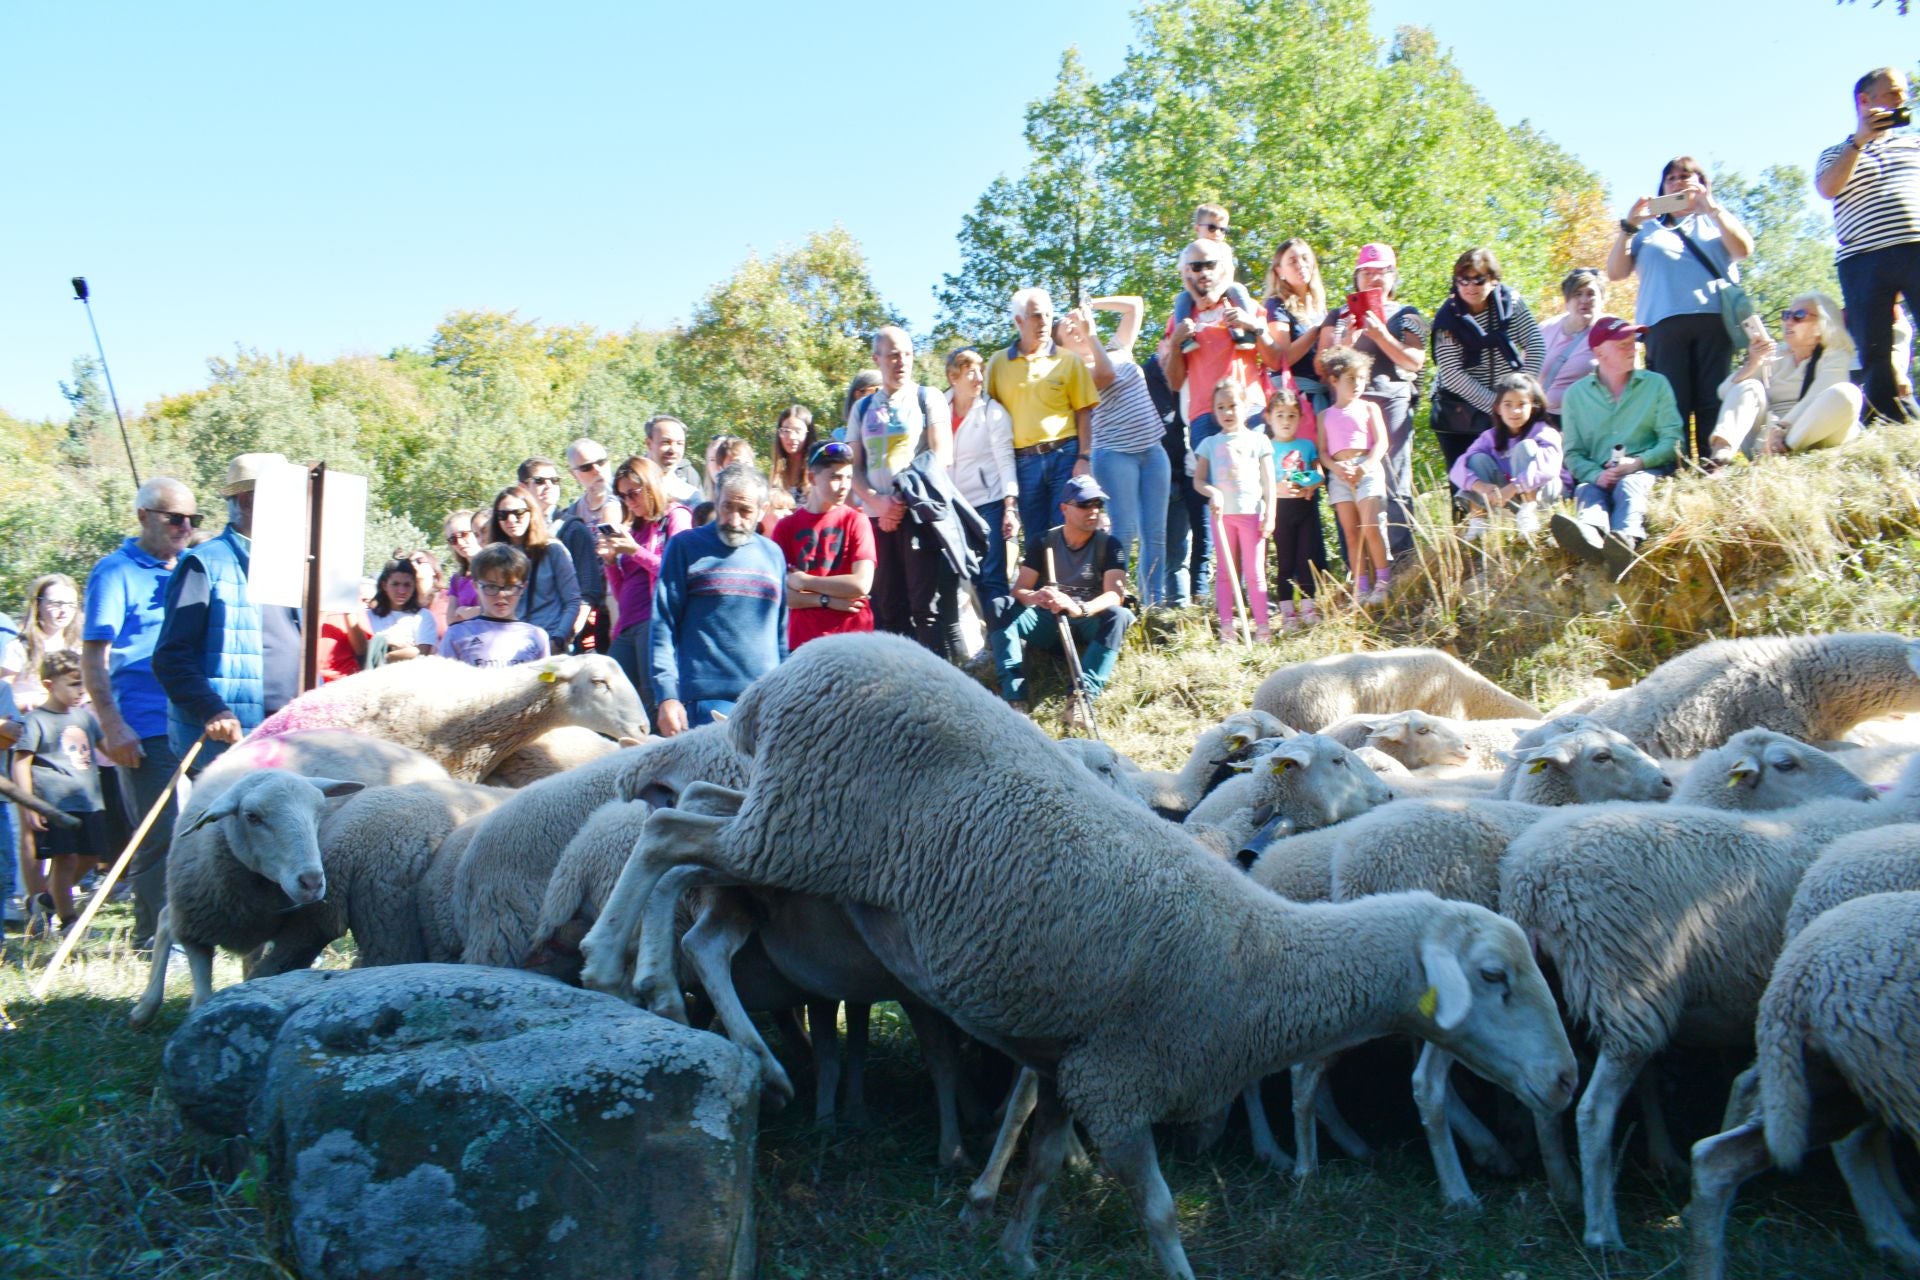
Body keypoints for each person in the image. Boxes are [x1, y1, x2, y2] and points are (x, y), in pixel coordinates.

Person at [79, 475, 197, 946]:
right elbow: (94, 655)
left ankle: (197, 929)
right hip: (144, 722)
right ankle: (152, 940)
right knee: (161, 832)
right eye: (174, 518)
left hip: (197, 715)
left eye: (193, 519)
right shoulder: (114, 571)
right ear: (144, 516)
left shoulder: (191, 567)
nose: (184, 527)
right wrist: (111, 723)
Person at [153, 452, 302, 768]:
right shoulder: (203, 563)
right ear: (247, 502)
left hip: (286, 732)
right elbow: (170, 656)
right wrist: (211, 709)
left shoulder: (289, 563)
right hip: (229, 741)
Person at [1607, 155, 1756, 456]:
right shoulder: (1648, 229)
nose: (1677, 182)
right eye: (1671, 179)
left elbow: (1744, 250)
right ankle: (1676, 465)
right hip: (1662, 325)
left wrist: (1711, 208)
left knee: (1712, 397)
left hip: (1714, 320)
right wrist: (1629, 226)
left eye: (1686, 176)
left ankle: (1714, 462)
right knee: (1672, 400)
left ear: (1702, 184)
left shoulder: (1716, 220)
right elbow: (1615, 273)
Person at [649, 465, 788, 735]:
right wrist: (667, 695)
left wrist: (785, 695)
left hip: (767, 703)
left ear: (762, 509)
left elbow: (780, 636)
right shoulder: (685, 547)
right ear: (716, 499)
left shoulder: (773, 554)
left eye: (745, 511)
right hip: (703, 703)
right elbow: (662, 624)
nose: (734, 520)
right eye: (727, 507)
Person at [849, 325, 960, 659]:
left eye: (907, 354)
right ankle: (894, 686)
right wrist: (875, 501)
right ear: (877, 358)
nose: (901, 362)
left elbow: (942, 455)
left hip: (917, 515)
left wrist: (897, 501)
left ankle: (939, 688)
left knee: (926, 607)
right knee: (885, 606)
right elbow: (853, 467)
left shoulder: (929, 398)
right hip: (875, 517)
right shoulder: (861, 408)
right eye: (894, 354)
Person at [988, 475, 1134, 729]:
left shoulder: (1110, 545)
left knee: (1119, 616)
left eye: (1097, 504)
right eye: (1085, 504)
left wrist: (1080, 608)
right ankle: (1015, 700)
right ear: (1064, 508)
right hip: (1050, 621)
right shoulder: (1043, 542)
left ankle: (1080, 699)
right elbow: (1020, 589)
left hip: (1089, 620)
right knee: (1000, 605)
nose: (1093, 511)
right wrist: (1036, 596)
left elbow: (1115, 595)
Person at [1817, 67, 1920, 425]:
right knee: (1874, 346)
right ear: (1865, 100)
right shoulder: (1835, 152)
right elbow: (1828, 188)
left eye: (1902, 93)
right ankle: (1889, 419)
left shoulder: (1916, 143)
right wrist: (1858, 142)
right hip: (1862, 259)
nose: (1901, 100)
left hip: (1915, 248)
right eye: (1892, 93)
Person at [1550, 317, 1685, 579]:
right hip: (1601, 473)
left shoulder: (1656, 384)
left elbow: (1672, 441)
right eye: (1623, 344)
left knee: (1629, 485)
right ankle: (1592, 534)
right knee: (1587, 489)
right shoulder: (1575, 396)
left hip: (1649, 469)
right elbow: (1574, 454)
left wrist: (1636, 464)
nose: (1632, 348)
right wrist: (1596, 475)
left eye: (1633, 342)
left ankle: (1626, 542)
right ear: (1599, 353)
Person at [1316, 243, 1427, 560]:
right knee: (1345, 482)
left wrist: (1380, 336)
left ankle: (1402, 561)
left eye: (1382, 272)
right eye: (1367, 272)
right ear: (1356, 276)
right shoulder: (1338, 315)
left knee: (1393, 481)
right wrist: (1346, 342)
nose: (1375, 278)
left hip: (1391, 401)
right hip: (1345, 412)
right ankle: (1360, 568)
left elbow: (1414, 361)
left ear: (1394, 276)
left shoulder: (1408, 315)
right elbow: (1322, 366)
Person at [1064, 297, 1169, 610]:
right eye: (1067, 328)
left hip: (1152, 450)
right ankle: (1115, 606)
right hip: (1115, 455)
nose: (1075, 326)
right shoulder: (1075, 369)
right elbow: (1106, 374)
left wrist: (1091, 303)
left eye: (1075, 320)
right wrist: (1091, 332)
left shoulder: (1117, 348)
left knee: (1155, 533)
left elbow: (1135, 306)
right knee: (1124, 532)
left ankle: (1154, 605)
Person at [986, 287, 1101, 543]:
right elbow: (988, 416)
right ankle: (1042, 584)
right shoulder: (997, 363)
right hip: (1023, 462)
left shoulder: (1069, 360)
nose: (1044, 322)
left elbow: (1085, 412)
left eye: (1048, 315)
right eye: (1036, 316)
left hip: (1065, 455)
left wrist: (1084, 457)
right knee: (1036, 540)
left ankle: (1067, 584)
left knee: (1068, 533)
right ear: (1019, 320)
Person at [10, 651, 108, 934]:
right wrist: (29, 806)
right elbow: (21, 763)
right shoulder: (36, 720)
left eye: (84, 684)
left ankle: (48, 899)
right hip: (54, 802)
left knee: (90, 857)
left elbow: (106, 748)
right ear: (49, 685)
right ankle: (68, 920)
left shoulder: (85, 718)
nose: (81, 691)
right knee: (65, 859)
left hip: (89, 801)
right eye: (74, 684)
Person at [1430, 247, 1545, 480]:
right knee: (1467, 480)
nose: (1470, 287)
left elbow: (1536, 345)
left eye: (1478, 280)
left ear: (1493, 280)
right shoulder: (1448, 318)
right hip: (1459, 412)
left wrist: (1520, 395)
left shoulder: (1512, 303)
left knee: (1513, 475)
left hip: (1508, 407)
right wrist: (1496, 405)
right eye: (1463, 280)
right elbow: (1451, 374)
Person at [1707, 293, 1863, 463]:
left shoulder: (1835, 354)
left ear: (1821, 325)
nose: (1788, 321)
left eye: (1799, 316)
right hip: (1765, 440)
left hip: (1817, 433)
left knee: (1847, 394)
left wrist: (1782, 428)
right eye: (1786, 315)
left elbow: (1817, 394)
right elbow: (1724, 392)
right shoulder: (1774, 355)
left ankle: (1783, 451)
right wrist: (1752, 363)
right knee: (1749, 385)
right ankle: (1719, 455)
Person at [599, 455, 693, 713]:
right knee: (611, 700)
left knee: (653, 703)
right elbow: (621, 593)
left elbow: (678, 572)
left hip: (656, 621)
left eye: (633, 493)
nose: (629, 501)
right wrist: (609, 563)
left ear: (651, 485)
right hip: (628, 624)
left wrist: (634, 551)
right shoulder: (636, 529)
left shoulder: (676, 517)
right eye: (623, 496)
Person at [1193, 376, 1276, 641]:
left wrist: (1270, 513)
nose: (1227, 412)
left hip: (1252, 514)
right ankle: (1227, 628)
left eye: (1233, 405)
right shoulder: (1209, 444)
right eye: (1221, 407)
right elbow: (1198, 480)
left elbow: (1269, 482)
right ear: (1214, 411)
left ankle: (1262, 627)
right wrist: (1213, 492)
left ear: (1245, 406)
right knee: (1226, 573)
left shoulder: (1259, 441)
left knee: (1254, 572)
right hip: (1222, 517)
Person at [773, 441, 877, 650]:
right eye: (835, 477)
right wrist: (827, 600)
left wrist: (804, 581)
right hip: (803, 643)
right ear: (812, 477)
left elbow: (861, 584)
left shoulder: (857, 521)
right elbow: (782, 595)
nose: (845, 485)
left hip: (854, 640)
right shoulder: (786, 528)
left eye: (848, 477)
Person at [945, 346, 1021, 616]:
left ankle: (1002, 642)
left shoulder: (993, 411)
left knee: (993, 576)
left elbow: (1005, 462)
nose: (978, 378)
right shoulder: (938, 409)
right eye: (970, 372)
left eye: (981, 370)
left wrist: (1010, 508)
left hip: (990, 503)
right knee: (966, 578)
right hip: (952, 508)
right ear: (954, 377)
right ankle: (983, 645)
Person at [1448, 372, 1566, 540]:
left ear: (1533, 406)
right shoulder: (1490, 437)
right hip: (1506, 498)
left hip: (1544, 494)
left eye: (1522, 404)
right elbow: (1458, 468)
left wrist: (1514, 487)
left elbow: (1548, 469)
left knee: (1524, 447)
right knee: (1476, 459)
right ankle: (1479, 522)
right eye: (1508, 404)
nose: (1515, 411)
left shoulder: (1544, 432)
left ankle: (1529, 513)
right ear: (1498, 408)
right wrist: (1481, 486)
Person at [1321, 347, 1393, 606]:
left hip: (1367, 468)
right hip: (1339, 474)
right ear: (1334, 380)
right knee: (1351, 533)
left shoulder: (1370, 408)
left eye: (1361, 378)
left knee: (1370, 526)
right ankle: (1361, 587)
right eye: (1351, 378)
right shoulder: (1325, 416)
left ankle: (1383, 582)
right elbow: (1323, 451)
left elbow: (1382, 442)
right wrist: (1336, 468)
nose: (1357, 384)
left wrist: (1366, 466)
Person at [487, 484, 581, 657]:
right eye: (503, 515)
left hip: (550, 643)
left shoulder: (553, 550)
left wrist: (558, 639)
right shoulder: (494, 558)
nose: (511, 520)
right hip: (510, 648)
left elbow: (573, 601)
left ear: (531, 512)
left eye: (518, 513)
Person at [1265, 386, 1326, 630]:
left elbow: (1319, 474)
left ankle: (1309, 607)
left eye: (1291, 415)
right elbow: (1260, 481)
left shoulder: (1307, 445)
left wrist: (1311, 483)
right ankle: (1288, 613)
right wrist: (1276, 487)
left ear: (1300, 418)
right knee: (1285, 560)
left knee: (1306, 558)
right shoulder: (1265, 447)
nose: (1286, 421)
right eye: (1279, 415)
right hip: (1280, 511)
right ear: (1268, 417)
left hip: (1306, 508)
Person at [519, 456, 594, 651]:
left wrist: (566, 635)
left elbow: (588, 591)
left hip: (560, 637)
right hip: (520, 637)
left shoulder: (573, 529)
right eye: (540, 481)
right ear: (522, 487)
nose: (549, 486)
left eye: (554, 480)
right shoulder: (515, 534)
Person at [440, 544, 550, 667]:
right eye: (491, 586)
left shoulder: (537, 636)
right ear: (476, 586)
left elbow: (544, 684)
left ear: (523, 587)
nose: (501, 594)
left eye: (510, 587)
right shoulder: (456, 634)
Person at [1168, 203, 1260, 351]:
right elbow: (1186, 277)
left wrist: (1216, 293)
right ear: (1198, 228)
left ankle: (1247, 327)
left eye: (1223, 230)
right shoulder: (1189, 251)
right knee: (1182, 298)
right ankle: (1185, 338)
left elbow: (1229, 274)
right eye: (1212, 228)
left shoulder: (1224, 249)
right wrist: (1197, 298)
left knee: (1238, 288)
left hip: (1222, 287)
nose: (1218, 233)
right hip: (1197, 290)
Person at [562, 438, 621, 654]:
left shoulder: (630, 499)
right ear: (574, 474)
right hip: (588, 606)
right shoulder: (571, 514)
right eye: (586, 467)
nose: (597, 470)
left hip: (622, 601)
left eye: (602, 462)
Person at [1263, 238, 1331, 416]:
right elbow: (1281, 359)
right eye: (1292, 261)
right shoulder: (1276, 304)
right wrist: (1316, 331)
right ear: (1279, 271)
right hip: (1293, 401)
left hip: (1322, 396)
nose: (1301, 264)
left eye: (1305, 258)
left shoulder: (1320, 307)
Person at [4, 574, 84, 712]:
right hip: (28, 722)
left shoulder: (80, 647)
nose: (63, 611)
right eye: (55, 603)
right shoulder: (20, 647)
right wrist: (30, 704)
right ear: (38, 605)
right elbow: (3, 692)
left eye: (71, 604)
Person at [1537, 269, 1606, 422]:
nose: (1584, 300)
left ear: (1602, 299)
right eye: (1577, 294)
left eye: (1590, 294)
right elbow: (1526, 375)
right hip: (1543, 418)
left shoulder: (1611, 332)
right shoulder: (1545, 329)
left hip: (1587, 420)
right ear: (1567, 301)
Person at [364, 559, 437, 662]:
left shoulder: (423, 616)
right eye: (395, 584)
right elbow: (362, 648)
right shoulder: (368, 616)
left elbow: (422, 653)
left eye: (407, 585)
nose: (402, 591)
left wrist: (381, 656)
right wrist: (393, 643)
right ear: (384, 585)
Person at [647, 414, 706, 504]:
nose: (673, 450)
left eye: (679, 443)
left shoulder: (690, 496)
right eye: (666, 442)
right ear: (649, 444)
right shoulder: (627, 488)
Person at [770, 405, 818, 504]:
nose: (791, 436)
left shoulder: (818, 468)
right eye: (786, 431)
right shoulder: (776, 471)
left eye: (798, 431)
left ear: (808, 434)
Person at [442, 510, 483, 623]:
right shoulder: (457, 579)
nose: (459, 542)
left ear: (477, 532)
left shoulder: (497, 570)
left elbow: (497, 611)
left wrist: (462, 610)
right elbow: (450, 620)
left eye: (464, 534)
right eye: (453, 539)